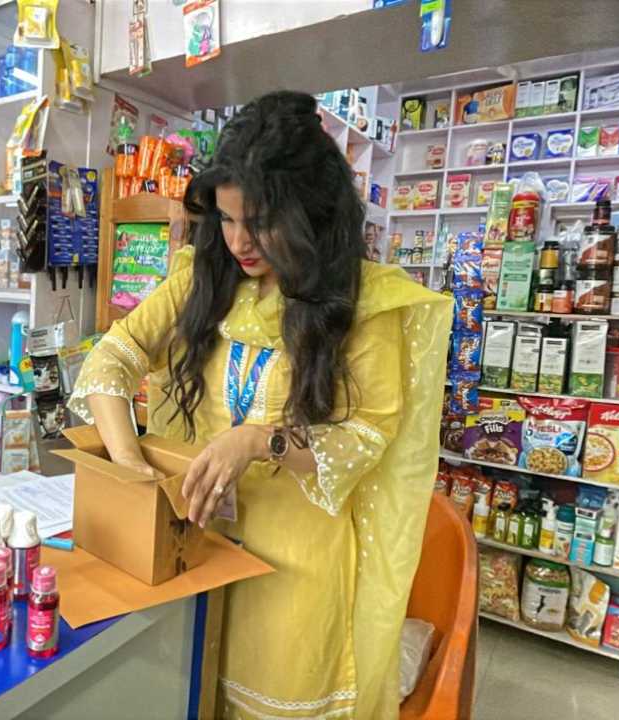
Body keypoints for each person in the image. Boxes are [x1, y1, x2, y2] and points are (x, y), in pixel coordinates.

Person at [70, 91, 452, 719]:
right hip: (192, 548)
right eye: (225, 219)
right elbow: (113, 357)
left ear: (310, 212)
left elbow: (362, 440)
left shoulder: (366, 306)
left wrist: (257, 440)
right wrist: (131, 467)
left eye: (261, 222)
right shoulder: (203, 280)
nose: (239, 242)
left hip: (294, 577)